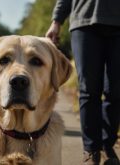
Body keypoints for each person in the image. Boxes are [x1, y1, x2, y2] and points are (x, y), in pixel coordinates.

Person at [46, 0, 120, 165]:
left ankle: (107, 146)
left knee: (116, 91)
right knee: (88, 90)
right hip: (84, 23)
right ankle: (91, 150)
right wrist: (56, 21)